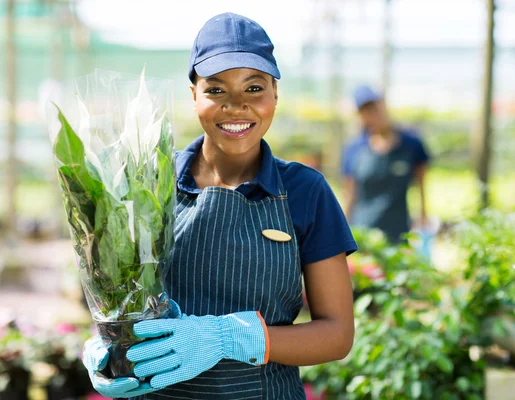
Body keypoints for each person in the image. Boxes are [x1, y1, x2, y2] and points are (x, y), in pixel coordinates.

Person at [82, 12, 357, 400]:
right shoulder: (144, 183)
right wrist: (105, 344)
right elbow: (113, 298)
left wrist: (229, 339)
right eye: (216, 90)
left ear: (275, 94)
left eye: (254, 87)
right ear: (193, 93)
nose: (236, 106)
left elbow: (337, 334)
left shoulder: (304, 190)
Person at [342, 85, 430, 244]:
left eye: (375, 108)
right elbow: (349, 193)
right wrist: (344, 232)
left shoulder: (411, 145)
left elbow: (421, 181)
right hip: (363, 232)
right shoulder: (355, 149)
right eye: (366, 111)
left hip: (399, 231)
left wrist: (423, 216)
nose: (373, 115)